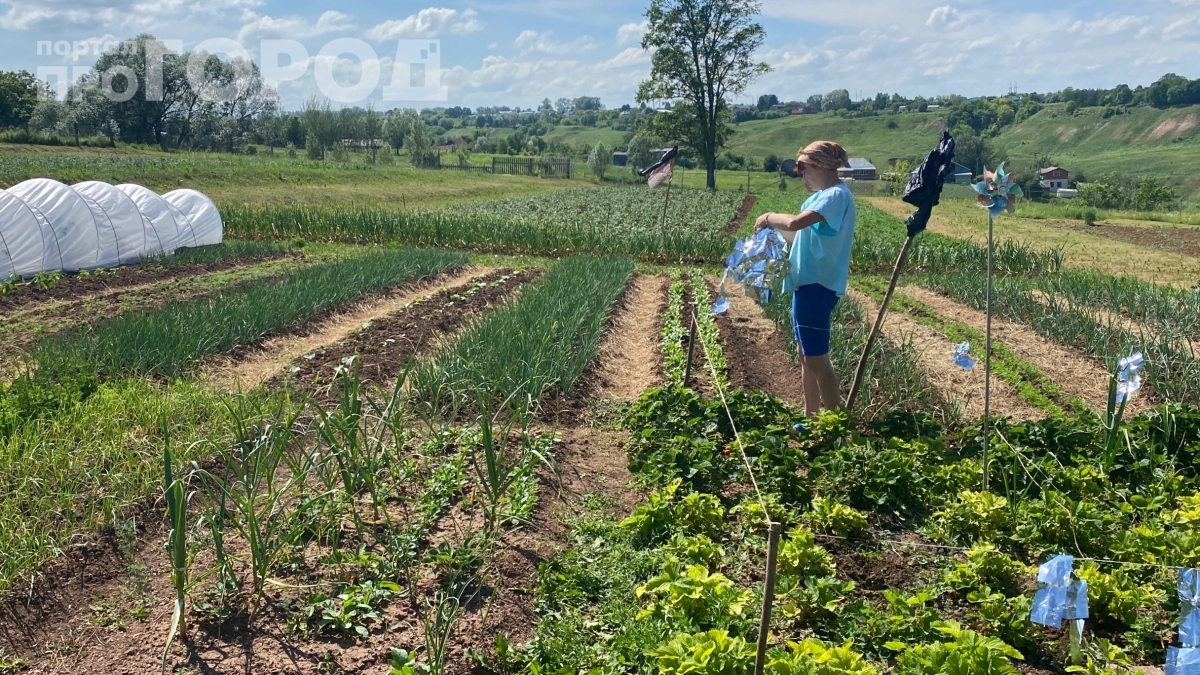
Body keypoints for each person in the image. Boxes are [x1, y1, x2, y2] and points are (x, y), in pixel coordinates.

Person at [754, 140, 856, 417]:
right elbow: (798, 235)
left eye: (803, 167)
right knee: (805, 357)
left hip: (817, 285)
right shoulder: (820, 197)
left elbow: (794, 223)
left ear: (819, 166)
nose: (801, 174)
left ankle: (836, 425)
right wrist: (770, 238)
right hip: (806, 283)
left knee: (817, 359)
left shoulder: (835, 195)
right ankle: (810, 417)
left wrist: (767, 217)